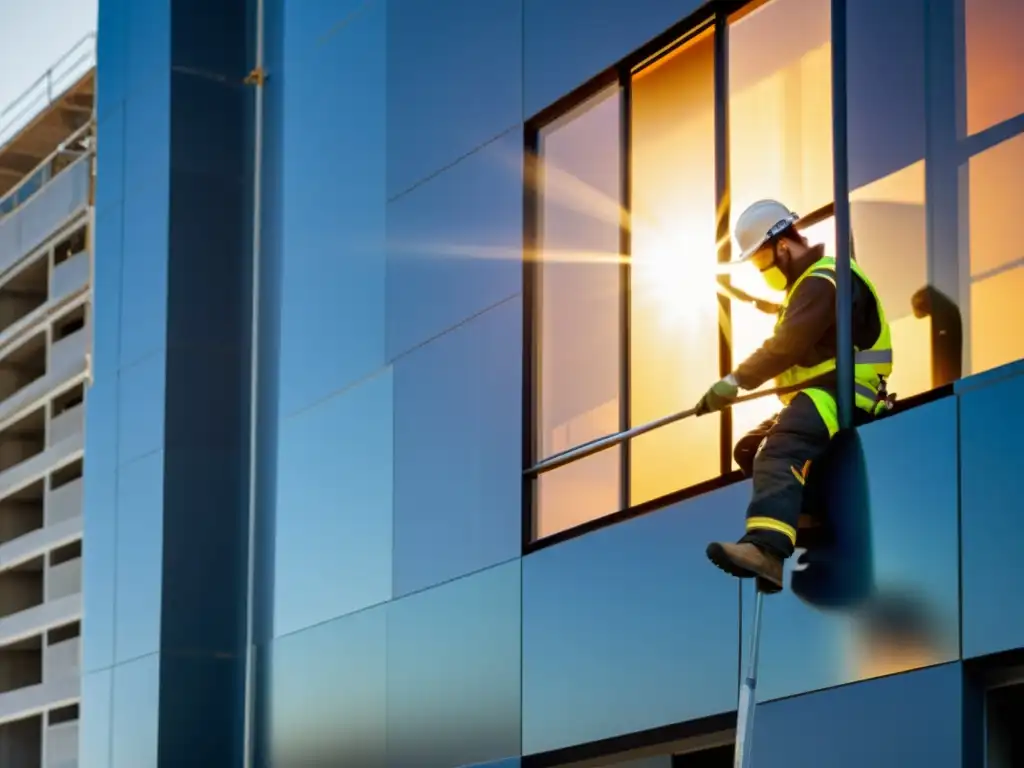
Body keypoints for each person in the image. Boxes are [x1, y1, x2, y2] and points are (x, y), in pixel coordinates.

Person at [697, 199, 893, 592]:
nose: (761, 269)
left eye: (760, 260)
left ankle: (767, 551)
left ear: (782, 246)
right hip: (819, 392)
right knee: (750, 449)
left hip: (844, 391)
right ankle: (807, 522)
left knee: (780, 447)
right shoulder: (809, 286)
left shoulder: (825, 279)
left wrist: (733, 382)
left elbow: (786, 346)